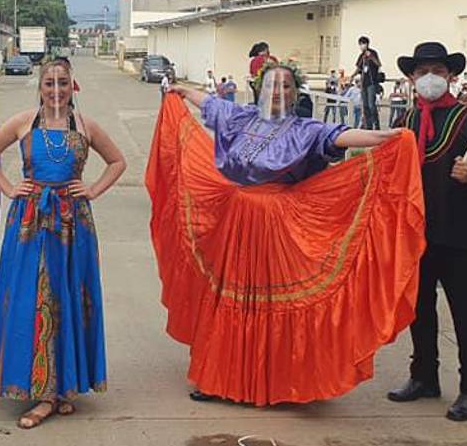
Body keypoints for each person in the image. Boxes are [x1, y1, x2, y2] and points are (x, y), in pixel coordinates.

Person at [147, 61, 426, 406]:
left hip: (278, 225)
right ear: (259, 88)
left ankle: (282, 379)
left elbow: (337, 136)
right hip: (236, 222)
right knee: (232, 296)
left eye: (285, 87)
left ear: (296, 93)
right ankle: (219, 377)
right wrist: (183, 92)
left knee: (270, 300)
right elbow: (211, 105)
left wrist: (385, 137)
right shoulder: (241, 118)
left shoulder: (304, 129)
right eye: (270, 86)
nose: (277, 93)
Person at [0, 58, 127, 428]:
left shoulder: (86, 125)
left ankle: (61, 388)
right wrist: (10, 188)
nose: (56, 90)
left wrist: (91, 190)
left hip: (73, 224)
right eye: (49, 83)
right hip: (30, 222)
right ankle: (46, 391)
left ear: (72, 85)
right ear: (40, 86)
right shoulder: (23, 122)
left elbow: (118, 162)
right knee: (36, 298)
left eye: (62, 83)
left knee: (70, 298)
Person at [386, 42, 467, 422]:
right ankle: (423, 377)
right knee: (419, 309)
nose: (430, 79)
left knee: (464, 311)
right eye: (422, 73)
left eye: (437, 71)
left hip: (457, 234)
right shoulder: (404, 124)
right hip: (416, 235)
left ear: (450, 75)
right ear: (411, 78)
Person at [355, 35, 382, 130]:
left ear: (367, 44)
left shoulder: (373, 53)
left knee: (371, 105)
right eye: (360, 44)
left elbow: (379, 64)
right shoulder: (361, 56)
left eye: (363, 44)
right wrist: (352, 76)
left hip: (371, 83)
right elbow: (358, 68)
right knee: (365, 105)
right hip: (363, 83)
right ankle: (368, 125)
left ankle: (376, 124)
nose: (362, 46)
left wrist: (371, 57)